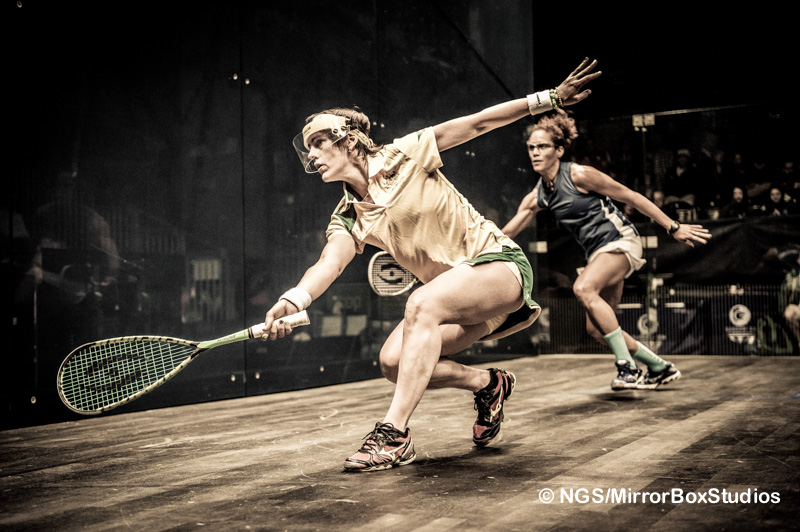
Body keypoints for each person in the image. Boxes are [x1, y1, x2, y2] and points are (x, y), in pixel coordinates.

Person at [260, 58, 601, 472]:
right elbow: (328, 264)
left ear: (348, 141)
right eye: (308, 148)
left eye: (318, 142)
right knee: (392, 362)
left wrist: (548, 99)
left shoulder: (406, 152)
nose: (312, 155)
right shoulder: (348, 216)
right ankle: (488, 384)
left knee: (422, 303)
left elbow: (477, 123)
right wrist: (294, 299)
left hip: (499, 268)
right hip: (459, 303)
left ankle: (394, 434)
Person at [502, 109, 711, 392]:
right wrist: (471, 254)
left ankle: (628, 368)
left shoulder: (579, 174)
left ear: (559, 150)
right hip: (598, 255)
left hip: (621, 241)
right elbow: (506, 233)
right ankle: (660, 367)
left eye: (542, 146)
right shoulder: (538, 195)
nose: (535, 152)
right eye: (531, 147)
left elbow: (631, 196)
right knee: (597, 329)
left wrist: (672, 227)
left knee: (583, 288)